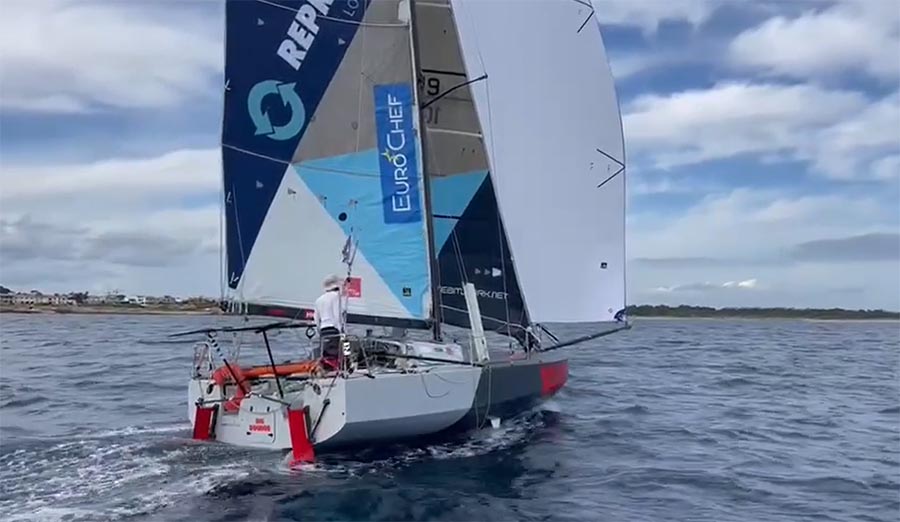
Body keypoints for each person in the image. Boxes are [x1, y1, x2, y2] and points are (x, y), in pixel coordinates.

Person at [314, 274, 345, 361]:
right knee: (346, 348)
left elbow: (316, 319)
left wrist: (319, 332)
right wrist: (341, 330)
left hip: (323, 330)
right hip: (334, 329)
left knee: (326, 352)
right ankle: (347, 364)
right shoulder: (336, 297)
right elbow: (337, 315)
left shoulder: (319, 300)